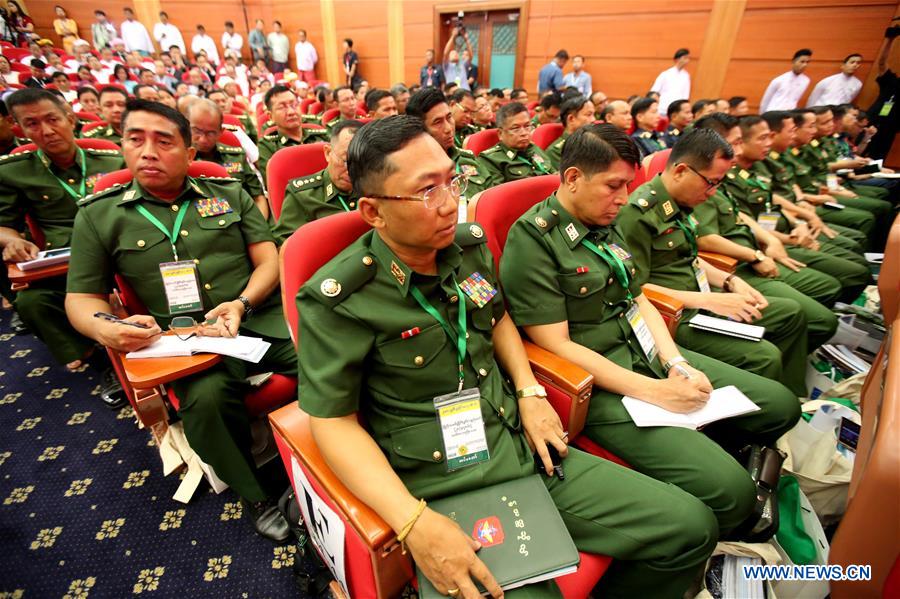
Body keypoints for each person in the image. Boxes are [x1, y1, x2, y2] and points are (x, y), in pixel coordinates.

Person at [298, 114, 720, 599]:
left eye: (451, 180)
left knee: (691, 527)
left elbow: (496, 316)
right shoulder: (338, 297)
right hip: (441, 483)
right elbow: (331, 422)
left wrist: (529, 390)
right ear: (373, 212)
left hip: (518, 440)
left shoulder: (467, 247)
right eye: (426, 191)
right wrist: (413, 524)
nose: (451, 203)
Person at [502, 122, 799, 541]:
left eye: (629, 185)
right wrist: (656, 391)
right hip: (603, 384)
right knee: (733, 493)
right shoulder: (534, 239)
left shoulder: (605, 217)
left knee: (781, 404)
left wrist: (675, 361)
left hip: (649, 355)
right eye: (613, 186)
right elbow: (555, 343)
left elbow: (636, 296)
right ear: (572, 178)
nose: (624, 198)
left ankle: (719, 450)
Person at [66, 98, 294, 541]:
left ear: (190, 154)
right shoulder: (99, 214)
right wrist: (103, 326)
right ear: (123, 147)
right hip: (184, 340)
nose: (147, 151)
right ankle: (255, 494)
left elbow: (270, 260)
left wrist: (243, 303)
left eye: (163, 141)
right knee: (207, 400)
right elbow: (81, 298)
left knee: (330, 356)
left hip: (254, 317)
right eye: (135, 140)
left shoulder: (229, 194)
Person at [614, 128, 817, 398]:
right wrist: (709, 301)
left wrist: (730, 281)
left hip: (704, 298)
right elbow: (636, 289)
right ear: (681, 171)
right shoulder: (637, 214)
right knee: (766, 357)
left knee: (791, 314)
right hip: (676, 315)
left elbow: (688, 257)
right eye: (711, 182)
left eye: (718, 184)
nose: (713, 193)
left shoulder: (679, 203)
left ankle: (795, 396)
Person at [0, 89, 124, 372]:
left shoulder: (110, 159)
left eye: (52, 119)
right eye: (32, 124)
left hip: (118, 248)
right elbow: (4, 225)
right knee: (31, 302)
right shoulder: (13, 171)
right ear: (19, 128)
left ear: (69, 118)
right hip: (65, 260)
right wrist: (14, 241)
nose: (46, 131)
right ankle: (100, 359)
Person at [705, 114, 869, 301]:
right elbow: (707, 237)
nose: (739, 151)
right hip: (750, 254)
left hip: (770, 240)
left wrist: (798, 220)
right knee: (835, 285)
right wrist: (781, 242)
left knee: (852, 261)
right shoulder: (713, 179)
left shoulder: (741, 172)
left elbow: (763, 204)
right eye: (763, 137)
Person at [273, 119, 362, 242]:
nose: (353, 170)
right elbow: (287, 248)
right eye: (346, 161)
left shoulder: (377, 186)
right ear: (328, 153)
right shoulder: (303, 195)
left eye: (362, 162)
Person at [405, 87, 493, 208]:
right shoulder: (413, 171)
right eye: (437, 122)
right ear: (420, 129)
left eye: (449, 117)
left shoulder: (467, 158)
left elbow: (491, 197)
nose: (448, 129)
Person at [187, 98, 266, 218]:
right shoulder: (178, 160)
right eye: (196, 131)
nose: (203, 139)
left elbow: (258, 197)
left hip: (243, 219)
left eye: (211, 133)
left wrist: (259, 229)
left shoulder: (236, 155)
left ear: (221, 132)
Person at [478, 102, 556, 185]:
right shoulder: (491, 159)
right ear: (500, 133)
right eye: (516, 128)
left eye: (527, 126)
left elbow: (553, 175)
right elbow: (497, 195)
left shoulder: (533, 148)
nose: (524, 133)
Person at [257, 85, 325, 180]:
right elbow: (276, 184)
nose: (291, 112)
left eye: (294, 105)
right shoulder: (268, 146)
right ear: (270, 116)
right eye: (282, 107)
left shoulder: (321, 135)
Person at [545, 95, 595, 170]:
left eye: (593, 114)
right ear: (571, 119)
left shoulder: (593, 142)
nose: (593, 119)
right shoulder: (556, 151)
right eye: (588, 115)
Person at [649, 49, 690, 117]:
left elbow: (686, 95)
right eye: (685, 58)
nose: (687, 60)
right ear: (677, 59)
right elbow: (654, 91)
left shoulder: (686, 75)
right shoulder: (665, 74)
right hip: (662, 108)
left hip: (676, 110)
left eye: (688, 58)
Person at [442, 25, 473, 91]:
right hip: (452, 92)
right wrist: (453, 36)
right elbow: (445, 53)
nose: (455, 54)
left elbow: (471, 55)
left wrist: (466, 39)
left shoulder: (463, 64)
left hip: (465, 91)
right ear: (449, 58)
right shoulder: (447, 66)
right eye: (452, 53)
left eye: (456, 53)